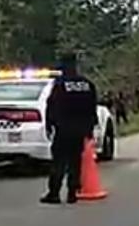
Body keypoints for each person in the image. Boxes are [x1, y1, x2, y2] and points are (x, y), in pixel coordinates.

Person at [42, 53, 98, 205]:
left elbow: (51, 105)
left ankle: (54, 193)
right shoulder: (87, 84)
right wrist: (90, 129)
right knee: (75, 162)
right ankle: (72, 193)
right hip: (80, 130)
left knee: (59, 162)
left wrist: (49, 124)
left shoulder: (60, 84)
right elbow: (92, 108)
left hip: (63, 129)